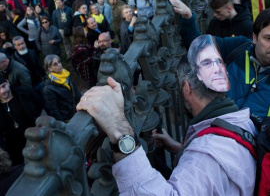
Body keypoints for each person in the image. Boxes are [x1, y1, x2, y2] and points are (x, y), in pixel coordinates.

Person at [76, 58, 256, 195]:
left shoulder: (207, 154)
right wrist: (181, 149)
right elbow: (218, 169)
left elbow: (208, 164)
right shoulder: (242, 121)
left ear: (186, 88)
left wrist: (120, 130)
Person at [170, 0, 270, 121]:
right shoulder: (239, 46)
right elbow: (200, 49)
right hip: (213, 128)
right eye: (268, 39)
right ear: (254, 38)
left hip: (248, 139)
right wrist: (188, 18)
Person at [0, 76, 43, 165]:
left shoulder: (25, 93)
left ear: (7, 82)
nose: (2, 91)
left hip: (36, 139)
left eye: (3, 86)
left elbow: (41, 107)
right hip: (16, 151)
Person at [43, 54, 81, 122]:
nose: (59, 65)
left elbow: (76, 92)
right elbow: (53, 110)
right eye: (55, 64)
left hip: (77, 111)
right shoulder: (48, 89)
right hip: (67, 118)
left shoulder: (66, 75)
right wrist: (62, 123)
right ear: (49, 68)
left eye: (59, 62)